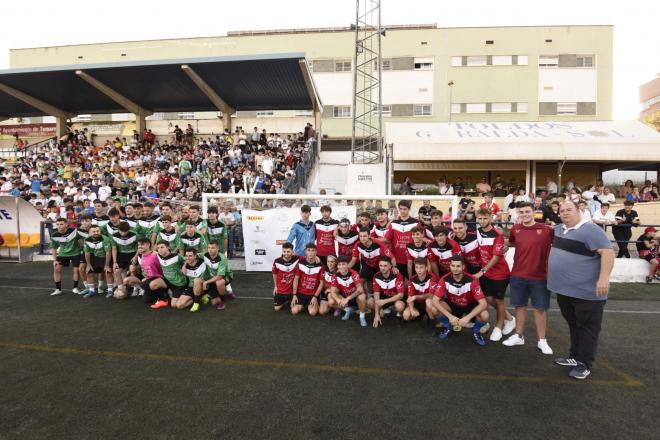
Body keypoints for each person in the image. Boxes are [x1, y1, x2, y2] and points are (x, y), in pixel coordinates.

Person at [548, 201, 614, 380]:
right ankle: (574, 356)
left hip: (587, 293)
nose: (565, 213)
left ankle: (584, 363)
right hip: (566, 291)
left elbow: (608, 253)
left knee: (588, 328)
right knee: (574, 324)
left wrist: (603, 278)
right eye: (562, 211)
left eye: (569, 210)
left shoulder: (592, 230)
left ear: (579, 211)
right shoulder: (559, 229)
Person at [502, 202, 554, 355]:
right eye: (521, 212)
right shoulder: (516, 229)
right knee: (519, 306)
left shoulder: (546, 230)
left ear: (534, 213)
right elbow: (510, 242)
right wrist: (502, 244)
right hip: (518, 275)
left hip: (540, 276)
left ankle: (542, 341)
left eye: (527, 211)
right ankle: (518, 335)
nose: (524, 214)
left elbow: (558, 246)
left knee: (540, 309)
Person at [426, 255, 490, 346]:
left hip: (469, 305)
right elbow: (435, 300)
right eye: (453, 266)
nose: (455, 268)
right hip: (453, 305)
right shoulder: (444, 279)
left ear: (463, 267)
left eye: (458, 266)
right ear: (450, 266)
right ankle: (448, 326)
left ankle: (476, 331)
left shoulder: (472, 279)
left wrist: (467, 318)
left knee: (485, 315)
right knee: (433, 308)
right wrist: (450, 317)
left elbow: (483, 303)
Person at [475, 208, 516, 341]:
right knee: (487, 299)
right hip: (486, 273)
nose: (482, 221)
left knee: (499, 301)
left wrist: (482, 271)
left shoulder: (497, 233)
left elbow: (496, 257)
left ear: (491, 218)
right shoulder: (478, 231)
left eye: (485, 218)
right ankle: (510, 318)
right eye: (480, 218)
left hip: (499, 273)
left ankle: (498, 327)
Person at [350, 228, 395, 293]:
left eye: (364, 236)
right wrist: (345, 268)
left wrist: (394, 266)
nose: (362, 238)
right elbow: (353, 260)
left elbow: (392, 257)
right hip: (367, 264)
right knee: (360, 281)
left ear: (369, 236)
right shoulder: (358, 244)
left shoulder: (378, 244)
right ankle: (364, 298)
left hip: (379, 265)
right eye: (361, 236)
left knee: (379, 282)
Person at [328, 256, 368, 326]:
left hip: (354, 298)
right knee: (331, 301)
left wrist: (347, 299)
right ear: (337, 266)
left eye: (343, 264)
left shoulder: (354, 273)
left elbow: (360, 289)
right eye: (339, 265)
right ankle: (347, 310)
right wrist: (338, 300)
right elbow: (333, 291)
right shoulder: (335, 276)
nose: (341, 266)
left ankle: (362, 317)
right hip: (344, 298)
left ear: (347, 265)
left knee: (362, 296)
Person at [383, 200, 419, 277]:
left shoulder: (416, 223)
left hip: (413, 259)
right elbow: (386, 239)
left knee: (411, 282)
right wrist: (372, 239)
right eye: (401, 209)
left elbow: (421, 239)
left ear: (409, 209)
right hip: (397, 260)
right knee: (399, 284)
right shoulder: (394, 223)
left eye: (405, 209)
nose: (402, 211)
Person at [369, 256, 406, 328]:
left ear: (390, 266)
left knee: (400, 306)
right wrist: (376, 315)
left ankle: (398, 314)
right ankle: (386, 310)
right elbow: (376, 297)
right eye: (381, 265)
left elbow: (400, 295)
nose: (383, 268)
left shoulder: (397, 275)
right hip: (384, 297)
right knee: (369, 302)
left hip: (395, 297)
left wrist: (384, 301)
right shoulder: (376, 276)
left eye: (385, 266)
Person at [151, 241, 188, 310]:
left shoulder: (176, 256)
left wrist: (184, 266)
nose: (160, 249)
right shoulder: (158, 255)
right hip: (167, 280)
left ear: (168, 247)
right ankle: (163, 300)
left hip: (179, 284)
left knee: (174, 305)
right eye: (158, 248)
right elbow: (150, 251)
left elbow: (187, 260)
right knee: (153, 284)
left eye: (162, 247)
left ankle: (187, 294)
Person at [291, 243, 325, 316]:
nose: (310, 252)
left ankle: (311, 305)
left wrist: (315, 296)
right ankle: (303, 305)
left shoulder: (320, 266)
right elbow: (296, 279)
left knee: (312, 313)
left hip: (312, 294)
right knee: (294, 311)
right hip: (301, 293)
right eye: (308, 250)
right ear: (305, 252)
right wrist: (294, 294)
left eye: (313, 250)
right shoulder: (300, 263)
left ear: (316, 252)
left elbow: (322, 283)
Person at [202, 239, 234, 310]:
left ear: (217, 248)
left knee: (219, 282)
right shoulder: (205, 255)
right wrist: (185, 265)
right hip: (213, 277)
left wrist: (206, 282)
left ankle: (223, 301)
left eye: (212, 248)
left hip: (226, 276)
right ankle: (220, 293)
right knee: (214, 302)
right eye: (209, 248)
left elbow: (220, 276)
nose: (210, 250)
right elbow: (192, 256)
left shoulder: (222, 258)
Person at [82, 225, 112, 298]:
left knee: (108, 272)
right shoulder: (87, 240)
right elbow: (87, 253)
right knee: (89, 272)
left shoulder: (105, 239)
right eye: (93, 231)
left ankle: (110, 291)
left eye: (97, 231)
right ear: (89, 232)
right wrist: (88, 265)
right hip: (94, 257)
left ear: (100, 231)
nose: (96, 233)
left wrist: (107, 265)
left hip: (105, 257)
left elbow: (108, 253)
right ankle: (91, 291)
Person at [111, 221, 138, 299]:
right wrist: (115, 262)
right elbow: (114, 249)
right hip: (121, 256)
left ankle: (135, 289)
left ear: (128, 230)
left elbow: (139, 247)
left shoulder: (135, 234)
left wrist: (135, 257)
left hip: (132, 255)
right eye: (121, 231)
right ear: (118, 229)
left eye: (125, 232)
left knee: (132, 270)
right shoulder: (114, 236)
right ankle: (121, 289)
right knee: (116, 271)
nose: (123, 234)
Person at [272, 242, 299, 311]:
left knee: (293, 308)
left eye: (288, 251)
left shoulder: (297, 259)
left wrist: (316, 258)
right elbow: (274, 274)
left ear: (292, 252)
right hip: (281, 290)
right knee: (276, 308)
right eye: (284, 251)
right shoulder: (277, 261)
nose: (286, 253)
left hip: (291, 291)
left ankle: (290, 299)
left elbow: (308, 259)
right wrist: (275, 286)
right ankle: (283, 301)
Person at [182, 248, 211, 312]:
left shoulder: (203, 261)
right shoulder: (185, 266)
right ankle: (199, 297)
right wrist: (184, 264)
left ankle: (196, 303)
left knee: (196, 280)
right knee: (180, 305)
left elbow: (209, 254)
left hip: (204, 285)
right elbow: (184, 273)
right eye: (186, 256)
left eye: (190, 256)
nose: (188, 258)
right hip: (191, 287)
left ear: (195, 256)